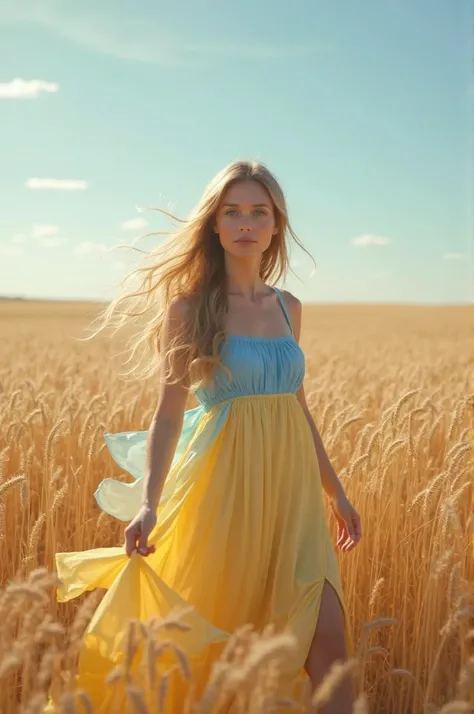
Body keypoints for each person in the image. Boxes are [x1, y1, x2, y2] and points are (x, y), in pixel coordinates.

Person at [48, 159, 362, 713]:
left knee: (329, 645)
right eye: (232, 211)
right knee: (219, 650)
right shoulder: (190, 310)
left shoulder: (289, 309)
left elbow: (297, 405)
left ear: (275, 226)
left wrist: (335, 491)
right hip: (226, 494)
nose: (245, 222)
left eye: (258, 212)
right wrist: (147, 504)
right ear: (214, 225)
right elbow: (168, 413)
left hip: (293, 501)